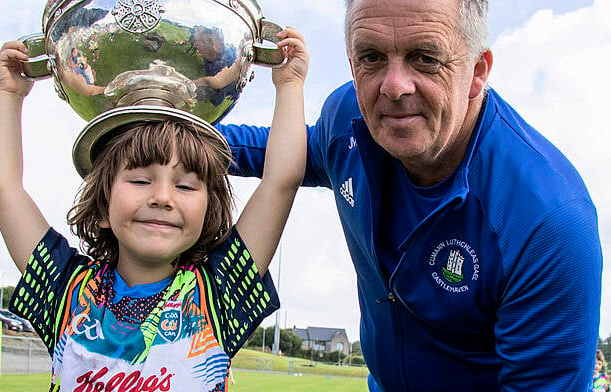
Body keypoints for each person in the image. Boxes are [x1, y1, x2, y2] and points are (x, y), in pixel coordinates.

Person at [216, 0, 603, 390]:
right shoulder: (347, 121)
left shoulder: (547, 219)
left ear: (477, 72)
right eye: (372, 57)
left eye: (425, 58)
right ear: (352, 64)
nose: (394, 86)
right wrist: (182, 135)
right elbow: (289, 151)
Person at [0, 27, 308, 391]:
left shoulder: (217, 293)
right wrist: (9, 94)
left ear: (208, 213)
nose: (163, 197)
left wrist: (290, 85)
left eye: (185, 186)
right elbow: (2, 188)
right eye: (140, 181)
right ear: (102, 206)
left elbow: (280, 183)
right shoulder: (68, 291)